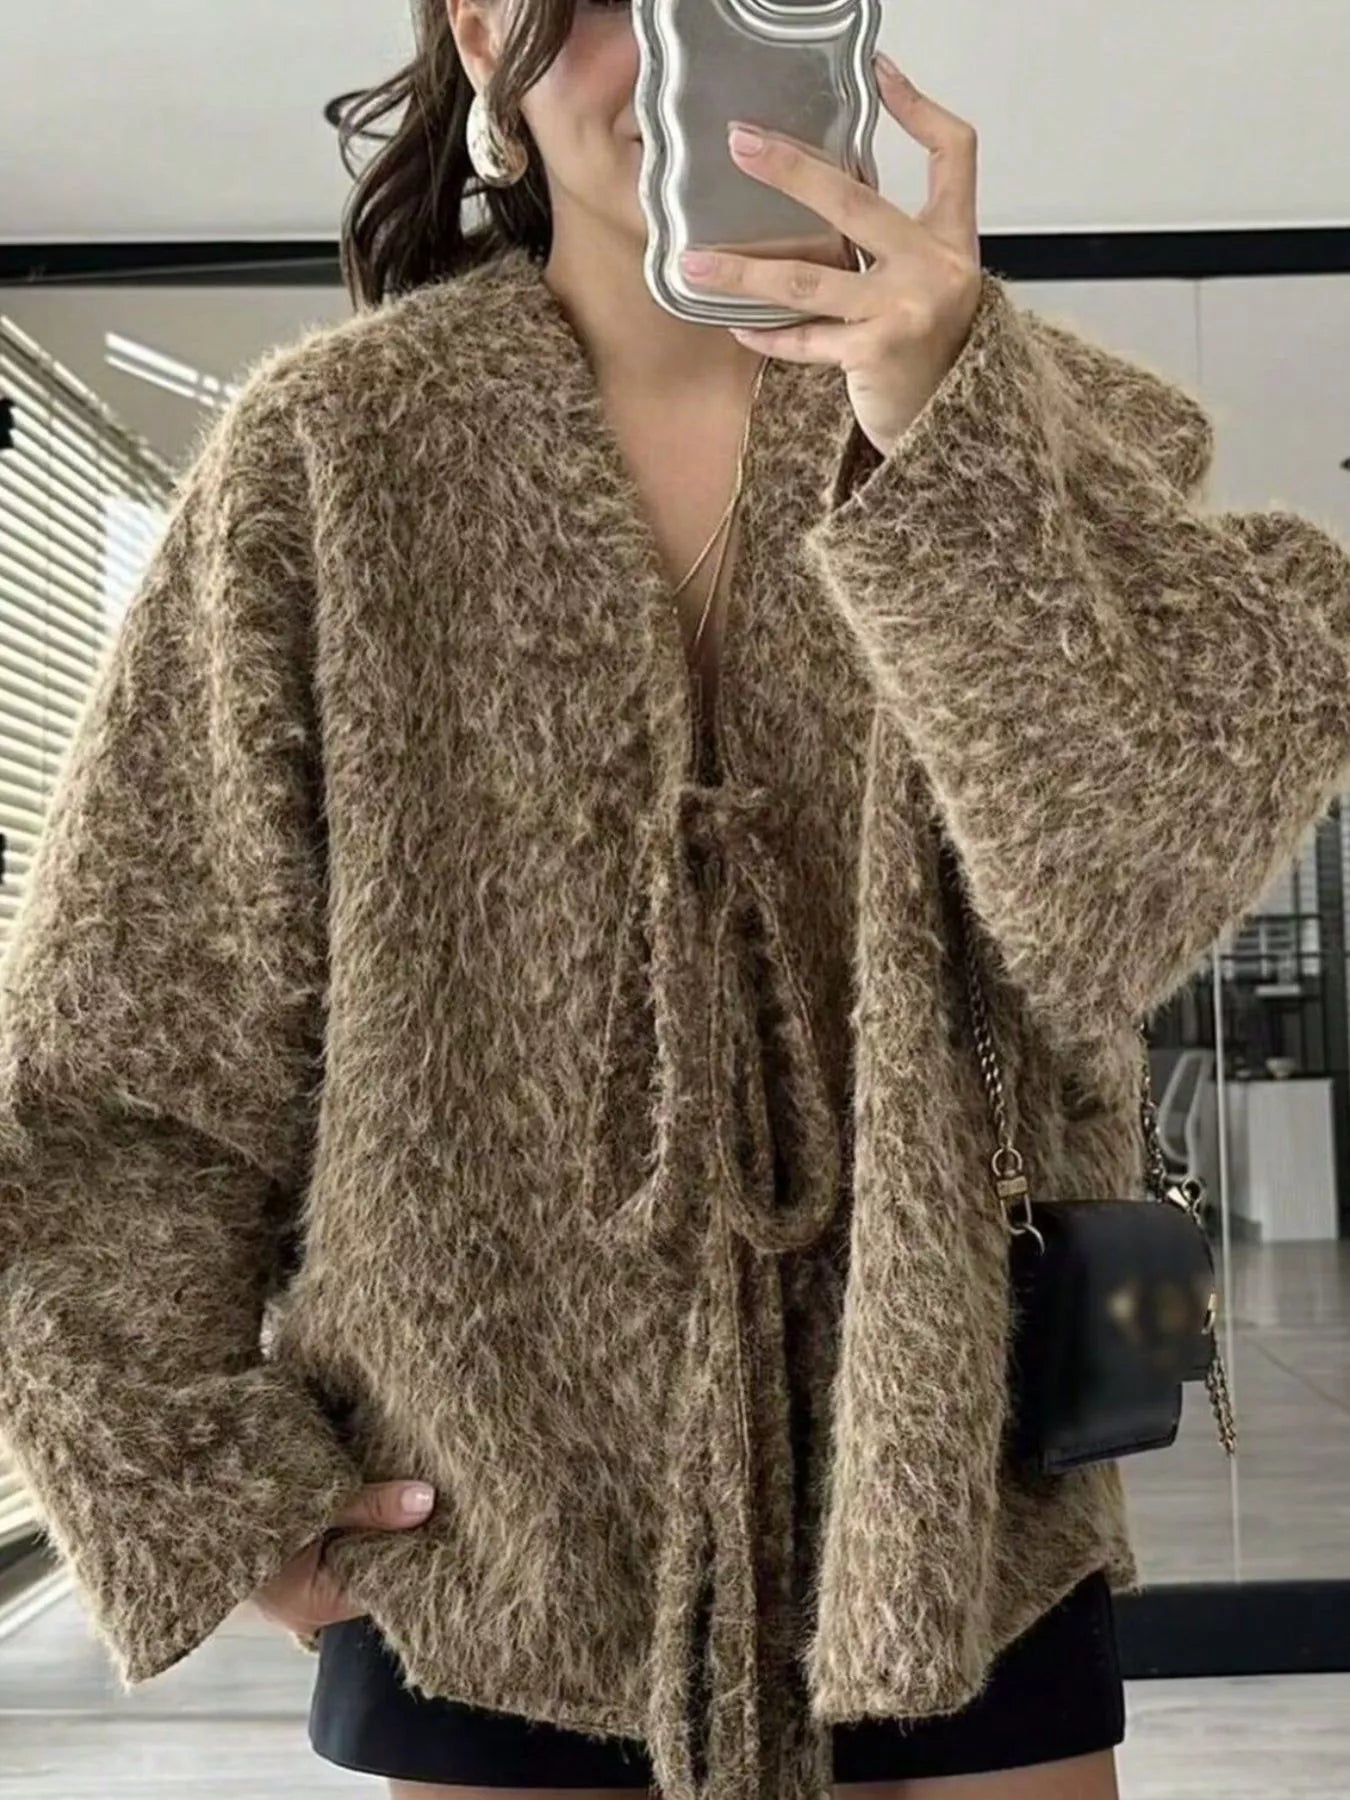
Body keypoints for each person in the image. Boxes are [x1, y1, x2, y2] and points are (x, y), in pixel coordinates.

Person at [2, 3, 1348, 1799]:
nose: (668, 54)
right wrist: (203, 1481)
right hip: (484, 1531)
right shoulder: (333, 454)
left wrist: (949, 452)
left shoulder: (1044, 423)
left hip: (955, 1511)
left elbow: (1121, 900)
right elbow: (126, 1045)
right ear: (484, 27)